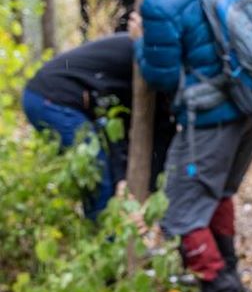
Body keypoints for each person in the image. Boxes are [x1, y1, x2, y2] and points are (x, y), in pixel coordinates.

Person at [100, 0, 252, 292]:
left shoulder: (159, 3)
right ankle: (230, 277)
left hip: (209, 118)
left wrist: (140, 42)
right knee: (218, 194)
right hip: (251, 102)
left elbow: (159, 76)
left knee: (178, 210)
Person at [21, 33, 174, 220]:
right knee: (99, 174)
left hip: (51, 97)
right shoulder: (140, 61)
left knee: (100, 173)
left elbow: (128, 129)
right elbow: (113, 125)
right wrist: (121, 180)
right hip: (51, 98)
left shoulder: (155, 81)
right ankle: (104, 238)